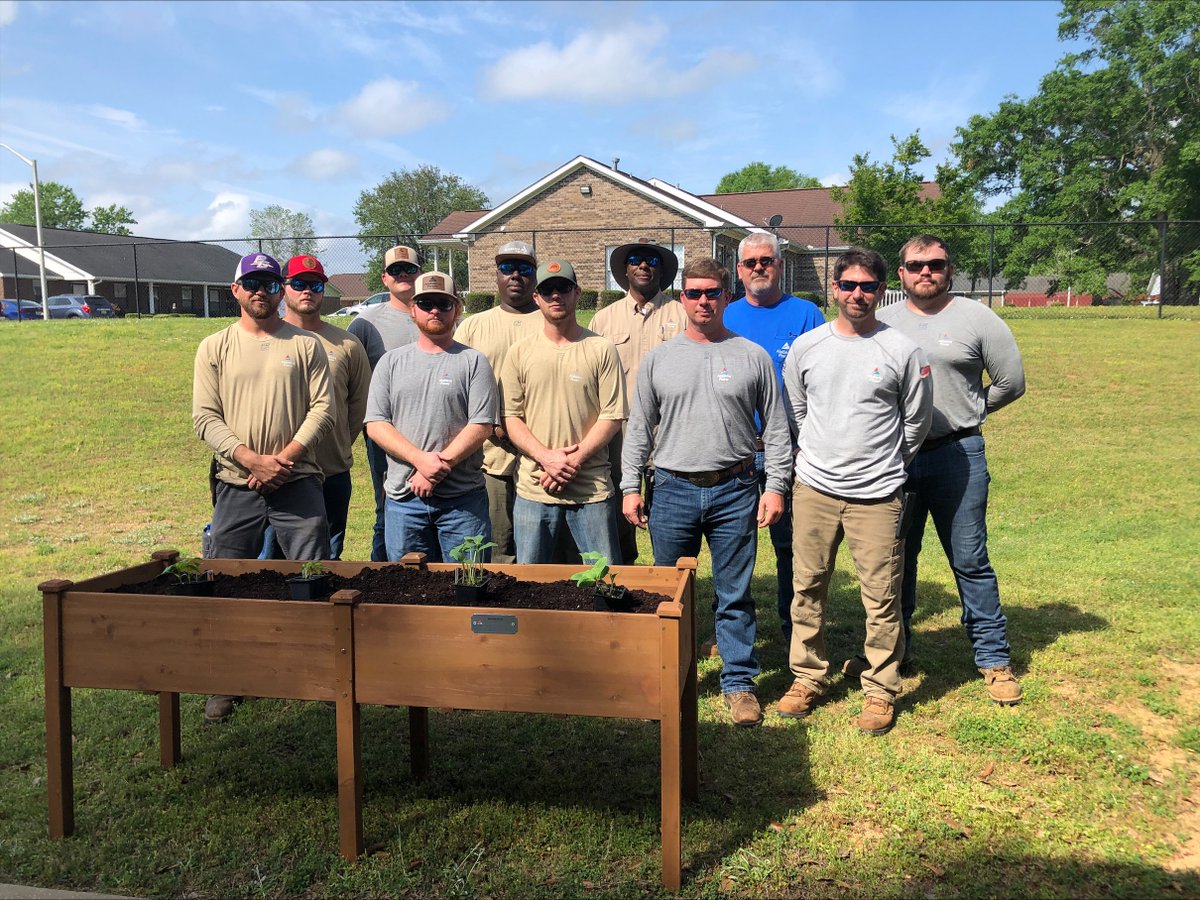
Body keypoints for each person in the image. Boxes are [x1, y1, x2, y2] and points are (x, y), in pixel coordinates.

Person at [622, 258, 790, 727]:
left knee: (734, 594)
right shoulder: (659, 359)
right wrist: (628, 487)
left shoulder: (751, 356)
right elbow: (639, 428)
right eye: (694, 293)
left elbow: (776, 430)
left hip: (735, 488)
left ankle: (739, 684)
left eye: (712, 292)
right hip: (672, 489)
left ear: (726, 296)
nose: (703, 301)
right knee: (669, 593)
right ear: (682, 298)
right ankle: (667, 679)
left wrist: (774, 487)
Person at [778, 247, 932, 736]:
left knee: (881, 597)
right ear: (834, 289)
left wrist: (884, 464)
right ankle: (807, 677)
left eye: (867, 286)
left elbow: (916, 423)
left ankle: (881, 690)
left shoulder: (902, 350)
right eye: (848, 285)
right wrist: (821, 456)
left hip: (879, 496)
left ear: (880, 289)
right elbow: (797, 412)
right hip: (815, 490)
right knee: (807, 588)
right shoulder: (809, 347)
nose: (857, 294)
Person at [871, 233, 1027, 705]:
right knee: (896, 561)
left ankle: (993, 660)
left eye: (935, 264)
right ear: (900, 273)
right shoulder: (882, 323)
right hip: (895, 458)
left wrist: (971, 411)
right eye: (916, 265)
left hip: (956, 456)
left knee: (970, 559)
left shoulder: (978, 318)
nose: (926, 273)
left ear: (949, 269)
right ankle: (896, 653)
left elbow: (1011, 382)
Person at [192, 252, 334, 723]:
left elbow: (323, 409)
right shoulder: (215, 346)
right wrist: (250, 458)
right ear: (235, 290)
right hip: (237, 483)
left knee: (311, 576)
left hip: (299, 481)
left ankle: (315, 672)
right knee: (225, 578)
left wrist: (285, 459)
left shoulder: (306, 344)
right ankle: (224, 680)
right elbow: (204, 417)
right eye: (251, 282)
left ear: (281, 290)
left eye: (270, 284)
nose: (260, 291)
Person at [723, 232, 825, 650]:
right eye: (751, 263)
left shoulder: (806, 314)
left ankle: (792, 630)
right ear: (739, 270)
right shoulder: (725, 316)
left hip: (791, 450)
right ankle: (731, 630)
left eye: (767, 261)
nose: (759, 268)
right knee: (733, 546)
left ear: (780, 266)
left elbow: (821, 382)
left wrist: (807, 442)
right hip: (737, 452)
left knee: (791, 546)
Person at [363, 272, 496, 561]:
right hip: (403, 499)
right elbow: (376, 423)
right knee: (408, 592)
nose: (434, 309)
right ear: (413, 310)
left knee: (469, 586)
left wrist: (438, 465)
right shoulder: (391, 362)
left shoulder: (474, 361)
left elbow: (482, 424)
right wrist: (420, 461)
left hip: (463, 501)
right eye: (425, 303)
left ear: (457, 310)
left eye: (443, 304)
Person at [501, 259, 626, 564]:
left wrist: (572, 461)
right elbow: (510, 417)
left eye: (563, 288)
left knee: (604, 584)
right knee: (531, 587)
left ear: (577, 292)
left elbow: (612, 416)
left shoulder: (601, 349)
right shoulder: (519, 352)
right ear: (536, 297)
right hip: (534, 487)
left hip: (591, 490)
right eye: (547, 290)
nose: (555, 295)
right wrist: (546, 458)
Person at [256, 255, 370, 560]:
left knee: (326, 561)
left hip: (330, 471)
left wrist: (336, 445)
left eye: (316, 284)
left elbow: (358, 407)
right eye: (299, 283)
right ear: (283, 289)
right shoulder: (265, 340)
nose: (308, 290)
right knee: (269, 561)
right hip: (278, 472)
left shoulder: (347, 345)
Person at [590, 238, 686, 565]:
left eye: (651, 260)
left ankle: (667, 578)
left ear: (661, 270)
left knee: (667, 519)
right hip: (618, 434)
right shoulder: (603, 321)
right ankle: (623, 580)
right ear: (625, 269)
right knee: (618, 515)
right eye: (636, 259)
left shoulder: (681, 315)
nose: (644, 265)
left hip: (669, 433)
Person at [454, 240, 542, 563]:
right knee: (498, 546)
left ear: (535, 276)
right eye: (507, 268)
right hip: (491, 457)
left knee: (540, 548)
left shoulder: (551, 321)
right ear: (496, 276)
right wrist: (492, 426)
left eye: (524, 268)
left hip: (541, 457)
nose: (515, 275)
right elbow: (459, 390)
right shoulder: (474, 326)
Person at [349, 245, 421, 561]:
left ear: (420, 273)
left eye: (409, 269)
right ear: (384, 277)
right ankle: (382, 573)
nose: (402, 274)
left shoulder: (440, 312)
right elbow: (349, 378)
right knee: (387, 504)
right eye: (395, 270)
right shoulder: (365, 324)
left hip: (432, 432)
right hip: (385, 433)